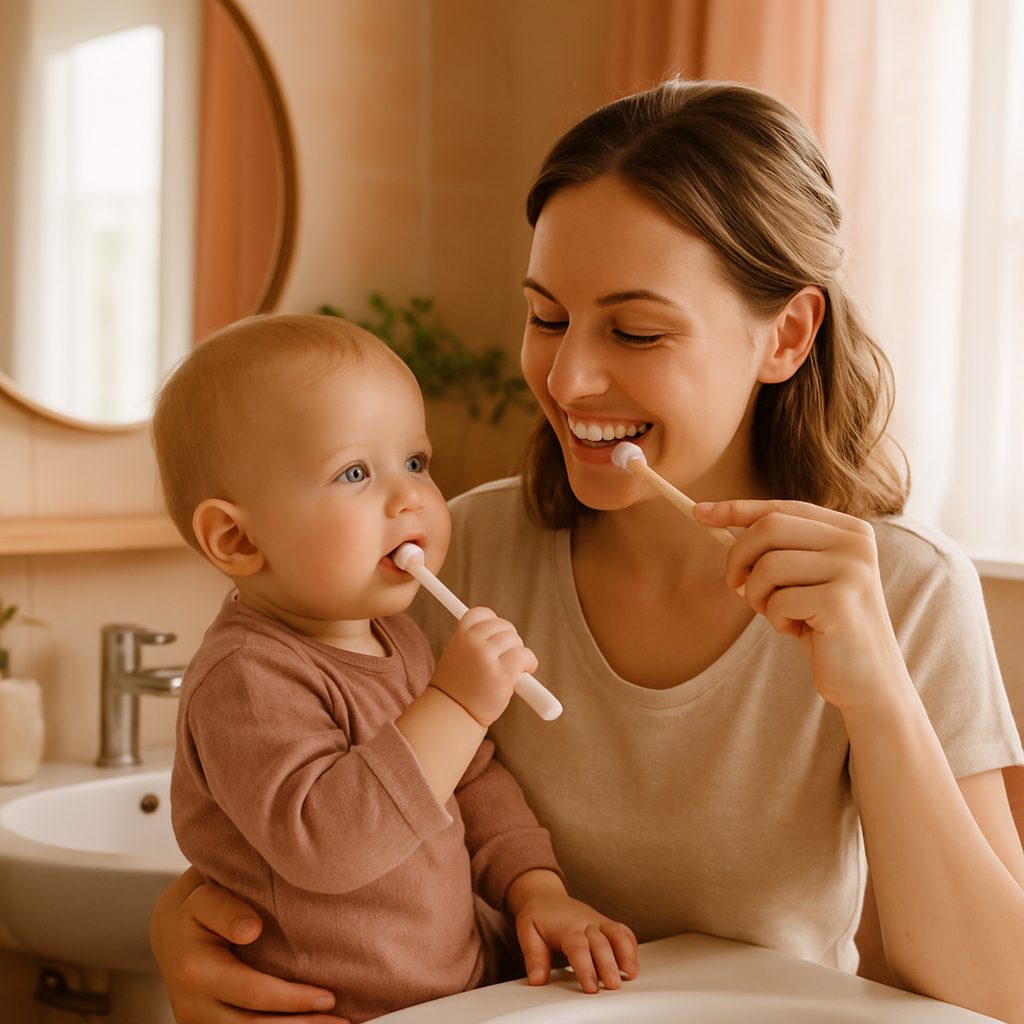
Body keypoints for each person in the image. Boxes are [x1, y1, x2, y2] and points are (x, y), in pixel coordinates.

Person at [151, 81, 1024, 1024]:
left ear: (787, 334)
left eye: (636, 329)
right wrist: (179, 925)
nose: (567, 380)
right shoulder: (450, 562)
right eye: (547, 316)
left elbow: (997, 989)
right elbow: (284, 813)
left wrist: (877, 690)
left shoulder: (900, 589)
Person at [151, 314, 638, 1023]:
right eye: (355, 472)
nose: (410, 497)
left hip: (459, 994)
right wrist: (458, 705)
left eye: (415, 462)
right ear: (236, 536)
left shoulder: (398, 639)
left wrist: (536, 891)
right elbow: (327, 844)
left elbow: (469, 782)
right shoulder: (245, 679)